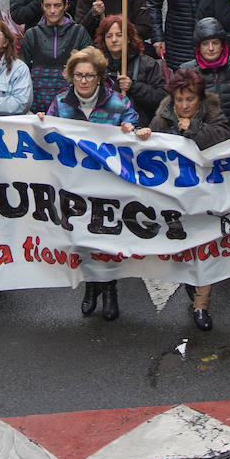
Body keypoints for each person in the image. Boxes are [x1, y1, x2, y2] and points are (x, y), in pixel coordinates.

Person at [41, 46, 139, 323]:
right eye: (79, 75)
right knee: (81, 237)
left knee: (107, 238)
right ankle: (91, 286)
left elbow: (133, 123)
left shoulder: (118, 103)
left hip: (108, 185)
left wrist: (131, 129)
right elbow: (47, 134)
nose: (84, 81)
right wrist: (38, 124)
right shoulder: (60, 103)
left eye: (90, 75)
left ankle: (109, 289)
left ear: (99, 77)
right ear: (71, 77)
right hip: (76, 185)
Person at [149, 65, 230, 330]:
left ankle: (201, 306)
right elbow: (150, 147)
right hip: (174, 199)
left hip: (206, 196)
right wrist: (142, 135)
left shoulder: (212, 111)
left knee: (205, 248)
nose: (184, 105)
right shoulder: (162, 116)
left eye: (190, 99)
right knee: (184, 249)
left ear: (200, 98)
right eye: (179, 100)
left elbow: (224, 138)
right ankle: (190, 283)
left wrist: (194, 129)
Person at [20, 0, 90, 113]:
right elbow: (22, 71)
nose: (52, 11)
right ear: (42, 6)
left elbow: (89, 67)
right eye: (48, 6)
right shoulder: (31, 34)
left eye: (57, 5)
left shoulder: (79, 32)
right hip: (36, 104)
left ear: (66, 5)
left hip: (71, 103)